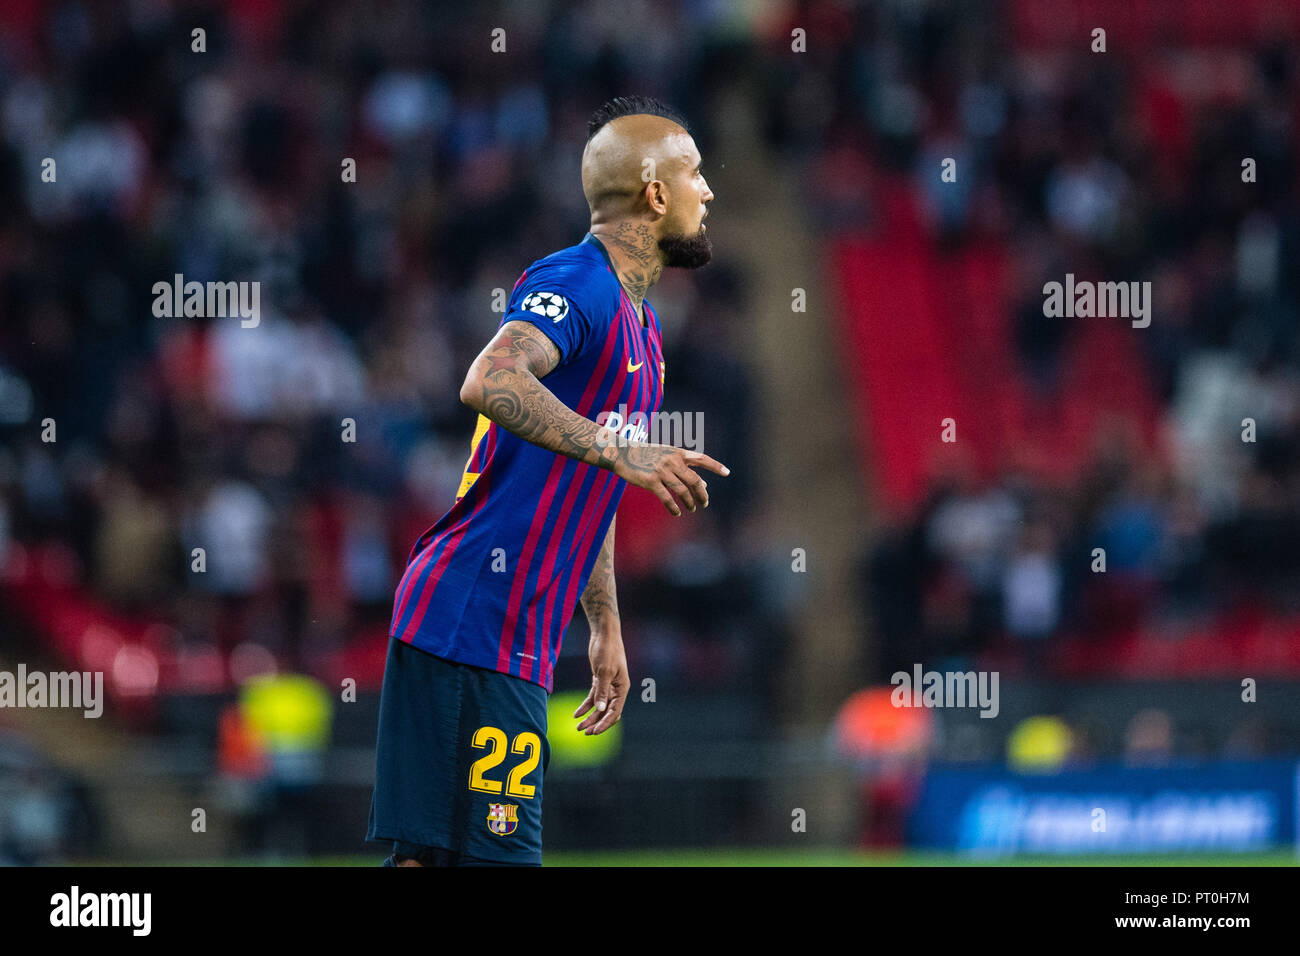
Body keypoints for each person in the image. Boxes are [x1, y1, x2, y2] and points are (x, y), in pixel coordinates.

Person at [366, 95, 728, 866]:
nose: (708, 192)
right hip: (467, 615)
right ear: (656, 193)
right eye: (695, 173)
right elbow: (489, 377)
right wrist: (614, 447)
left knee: (432, 862)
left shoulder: (646, 330)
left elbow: (589, 486)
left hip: (516, 634)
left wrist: (604, 624)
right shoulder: (577, 280)